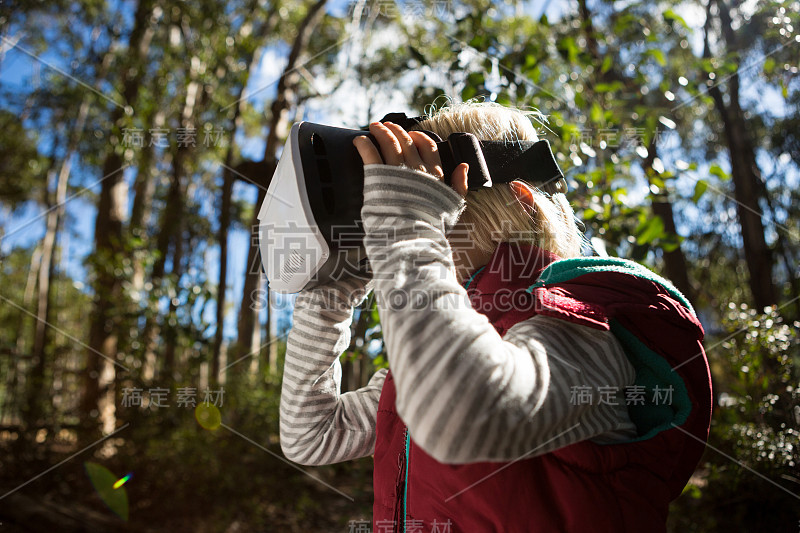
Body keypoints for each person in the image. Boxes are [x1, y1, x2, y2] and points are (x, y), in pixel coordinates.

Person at [278, 100, 712, 532]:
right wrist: (334, 290)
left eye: (435, 202)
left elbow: (460, 414)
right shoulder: (430, 364)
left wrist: (408, 229)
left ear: (520, 203)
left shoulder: (584, 331)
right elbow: (311, 434)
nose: (409, 221)